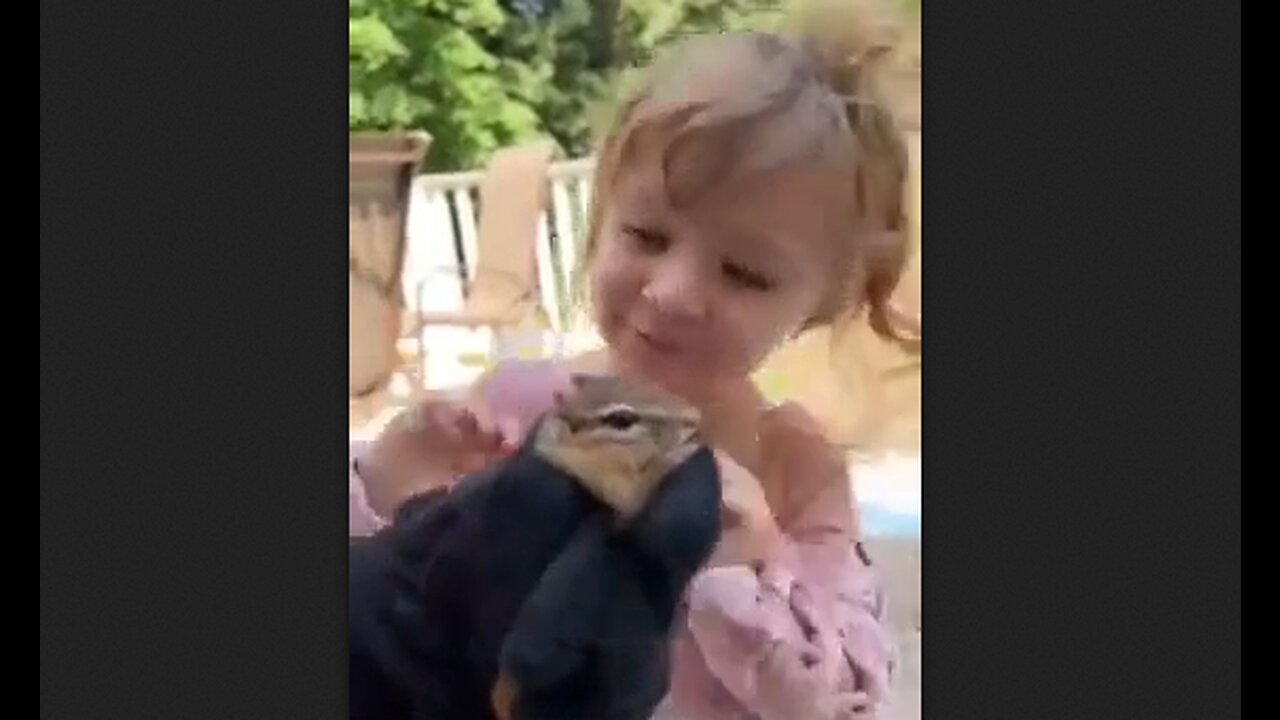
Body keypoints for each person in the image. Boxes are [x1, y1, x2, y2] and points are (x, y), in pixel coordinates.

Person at [350, 1, 917, 716]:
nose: (673, 291)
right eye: (647, 235)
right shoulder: (523, 408)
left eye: (742, 273)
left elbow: (850, 699)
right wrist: (390, 478)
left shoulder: (790, 469)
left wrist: (743, 564)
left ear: (824, 299)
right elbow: (395, 631)